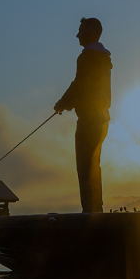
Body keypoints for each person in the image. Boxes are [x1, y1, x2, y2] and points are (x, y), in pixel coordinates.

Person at [54, 17, 112, 213]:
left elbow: (79, 83)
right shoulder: (104, 58)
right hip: (103, 118)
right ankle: (96, 208)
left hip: (89, 119)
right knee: (94, 164)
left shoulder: (86, 56)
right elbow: (93, 88)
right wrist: (76, 101)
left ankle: (90, 210)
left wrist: (62, 103)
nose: (77, 35)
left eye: (81, 31)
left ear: (91, 32)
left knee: (85, 166)